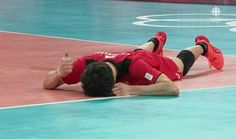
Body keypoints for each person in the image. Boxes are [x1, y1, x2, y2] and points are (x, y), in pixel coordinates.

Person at [43, 32, 224, 97]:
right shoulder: (84, 64)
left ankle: (202, 45)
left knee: (178, 67)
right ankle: (156, 41)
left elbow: (171, 89)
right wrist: (59, 72)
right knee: (135, 52)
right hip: (131, 55)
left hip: (145, 60)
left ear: (115, 81)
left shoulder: (136, 67)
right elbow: (47, 84)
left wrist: (133, 90)